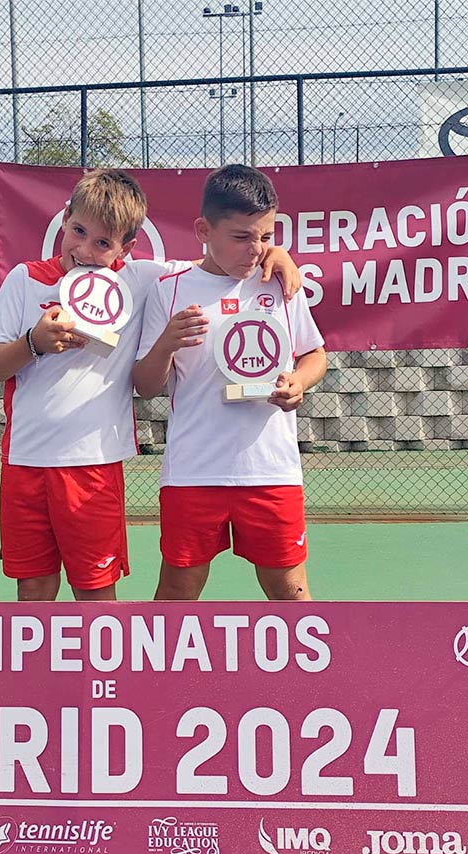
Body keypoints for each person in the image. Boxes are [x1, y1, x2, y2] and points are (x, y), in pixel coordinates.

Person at [0, 167, 302, 601]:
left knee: (95, 589)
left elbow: (212, 264)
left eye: (104, 243)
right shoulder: (25, 279)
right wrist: (33, 343)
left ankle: (100, 673)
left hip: (95, 464)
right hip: (23, 461)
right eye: (78, 231)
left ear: (126, 248)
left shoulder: (142, 278)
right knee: (33, 587)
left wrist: (273, 255)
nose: (87, 250)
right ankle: (40, 672)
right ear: (64, 218)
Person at [133, 163, 327, 601]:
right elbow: (145, 385)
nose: (255, 249)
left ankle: (306, 674)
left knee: (291, 590)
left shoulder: (280, 284)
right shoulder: (170, 290)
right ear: (203, 229)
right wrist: (165, 343)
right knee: (179, 587)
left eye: (266, 237)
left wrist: (299, 381)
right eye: (241, 237)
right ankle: (163, 673)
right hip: (193, 471)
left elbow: (315, 354)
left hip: (271, 469)